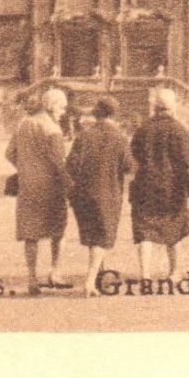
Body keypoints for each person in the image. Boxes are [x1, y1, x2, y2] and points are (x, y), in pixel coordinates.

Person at [129, 87, 189, 281]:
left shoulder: (143, 129)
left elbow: (133, 156)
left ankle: (145, 274)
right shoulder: (178, 129)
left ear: (155, 107)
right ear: (172, 106)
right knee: (174, 229)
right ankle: (174, 272)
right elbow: (186, 162)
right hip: (172, 187)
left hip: (145, 185)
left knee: (144, 229)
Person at [7, 89, 71, 295]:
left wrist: (25, 167)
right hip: (51, 188)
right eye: (62, 107)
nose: (63, 112)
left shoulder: (24, 124)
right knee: (57, 232)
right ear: (52, 106)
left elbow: (9, 153)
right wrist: (69, 184)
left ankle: (32, 278)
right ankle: (54, 272)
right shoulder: (53, 129)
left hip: (28, 186)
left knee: (30, 234)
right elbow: (59, 163)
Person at [66, 95, 132, 297]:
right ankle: (89, 281)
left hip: (83, 194)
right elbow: (129, 166)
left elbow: (71, 165)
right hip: (108, 193)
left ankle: (98, 274)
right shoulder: (120, 138)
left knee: (93, 236)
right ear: (114, 114)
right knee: (102, 238)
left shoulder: (84, 135)